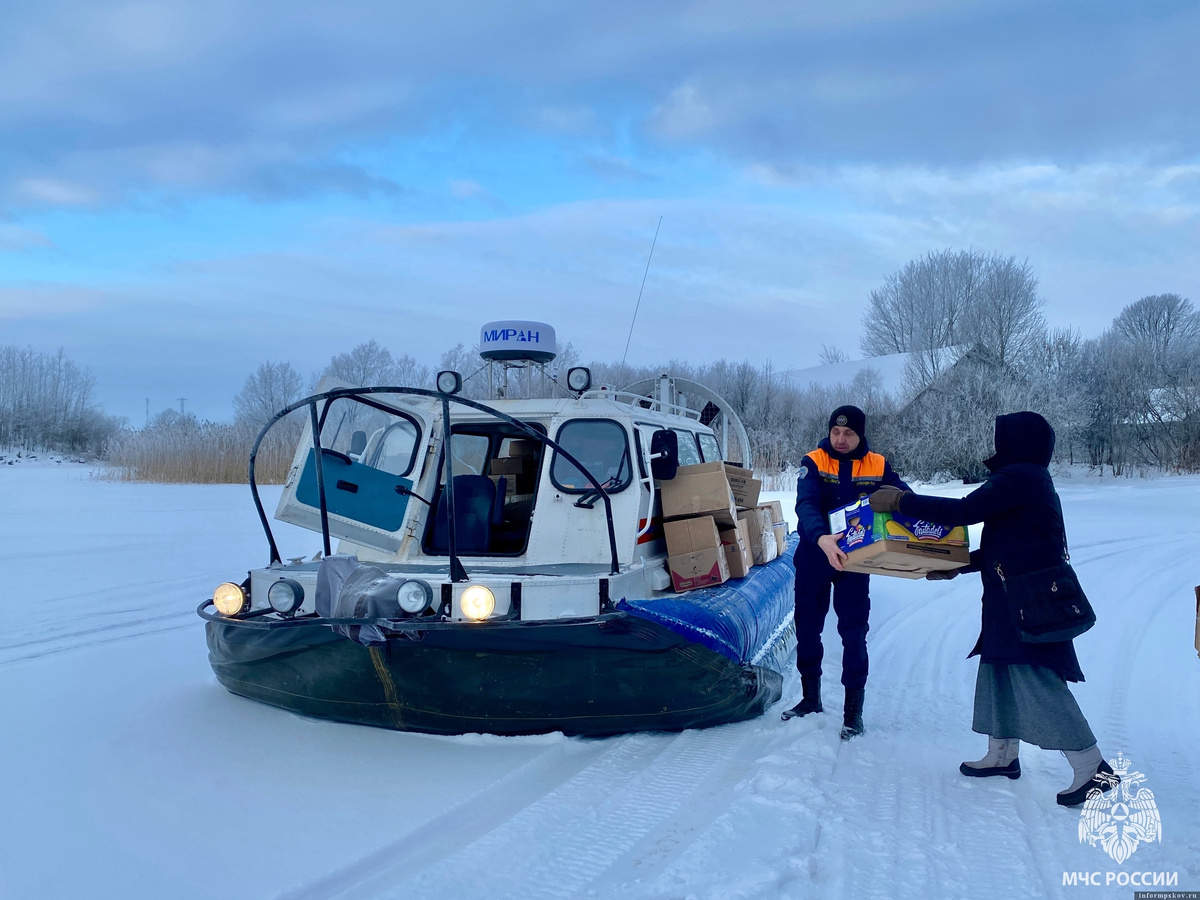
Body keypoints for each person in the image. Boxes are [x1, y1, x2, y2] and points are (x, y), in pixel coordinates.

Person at [869, 411, 1116, 807]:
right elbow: (1010, 545)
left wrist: (902, 501)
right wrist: (957, 567)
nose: (996, 444)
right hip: (1012, 597)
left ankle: (1093, 767)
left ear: (1017, 442)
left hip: (1028, 601)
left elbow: (963, 512)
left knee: (1036, 678)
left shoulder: (1020, 477)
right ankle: (1002, 755)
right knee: (998, 667)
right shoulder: (1028, 478)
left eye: (1002, 437)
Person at [784, 405, 910, 739]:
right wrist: (821, 536)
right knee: (808, 629)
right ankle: (810, 698)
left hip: (856, 562)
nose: (840, 439)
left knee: (853, 633)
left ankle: (853, 712)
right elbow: (806, 504)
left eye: (848, 433)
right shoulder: (813, 461)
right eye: (835, 432)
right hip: (816, 552)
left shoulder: (878, 464)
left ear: (860, 434)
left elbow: (904, 498)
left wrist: (922, 517)